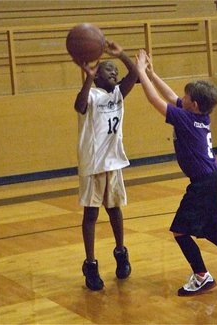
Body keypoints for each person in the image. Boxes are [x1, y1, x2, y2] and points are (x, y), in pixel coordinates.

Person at [135, 49, 217, 296]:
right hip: (215, 180)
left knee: (180, 230)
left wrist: (140, 73)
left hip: (202, 183)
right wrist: (152, 73)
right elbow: (170, 96)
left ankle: (202, 276)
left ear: (195, 104)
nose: (181, 98)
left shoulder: (184, 119)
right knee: (212, 229)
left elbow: (155, 100)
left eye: (186, 96)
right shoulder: (201, 116)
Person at [73, 40, 138, 291]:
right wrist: (87, 77)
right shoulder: (90, 94)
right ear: (98, 74)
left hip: (113, 162)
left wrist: (122, 54)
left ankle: (121, 253)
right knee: (91, 214)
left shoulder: (118, 94)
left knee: (115, 210)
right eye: (109, 69)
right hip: (92, 164)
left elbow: (134, 73)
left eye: (116, 71)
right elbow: (78, 105)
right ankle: (90, 264)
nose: (115, 73)